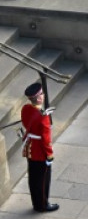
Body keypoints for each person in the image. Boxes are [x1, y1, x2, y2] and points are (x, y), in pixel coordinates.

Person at [20, 83, 58, 212]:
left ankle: (36, 203)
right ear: (39, 98)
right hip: (40, 151)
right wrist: (49, 155)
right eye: (42, 94)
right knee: (42, 180)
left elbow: (26, 123)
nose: (43, 95)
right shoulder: (43, 116)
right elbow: (46, 140)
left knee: (33, 178)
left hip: (30, 148)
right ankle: (43, 204)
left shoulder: (25, 108)